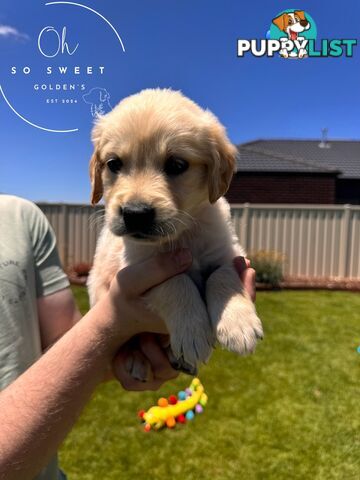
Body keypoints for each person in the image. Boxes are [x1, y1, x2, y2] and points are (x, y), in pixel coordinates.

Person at [0, 195, 256, 480]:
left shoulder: (22, 216)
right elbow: (118, 280)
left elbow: (67, 343)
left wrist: (117, 355)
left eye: (174, 166)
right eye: (115, 164)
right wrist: (116, 318)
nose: (136, 199)